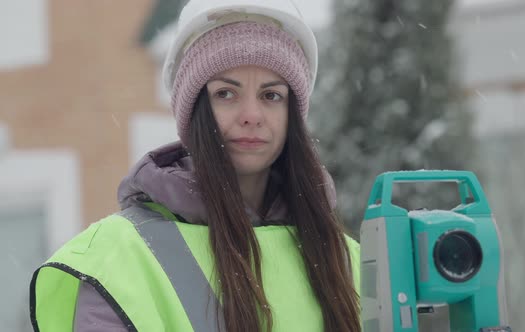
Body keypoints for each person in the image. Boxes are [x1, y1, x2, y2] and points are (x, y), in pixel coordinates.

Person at [29, 0, 361, 331]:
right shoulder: (116, 258)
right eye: (226, 94)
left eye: (271, 95)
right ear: (194, 111)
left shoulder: (349, 260)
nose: (251, 115)